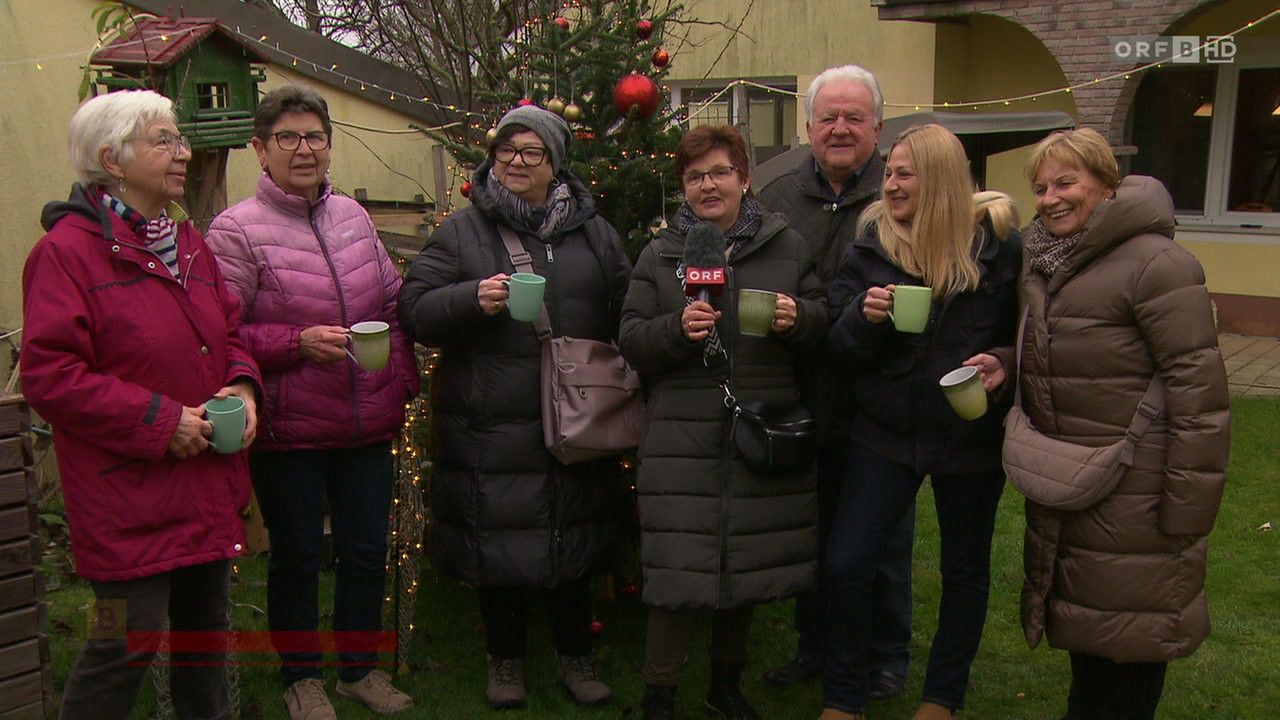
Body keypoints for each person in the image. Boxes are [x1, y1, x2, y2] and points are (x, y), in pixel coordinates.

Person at [20, 89, 262, 720]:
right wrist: (159, 421)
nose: (183, 152)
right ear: (113, 159)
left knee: (204, 640)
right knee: (121, 640)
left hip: (202, 483)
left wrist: (240, 384)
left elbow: (229, 330)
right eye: (164, 140)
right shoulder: (64, 254)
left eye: (179, 139)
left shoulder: (187, 242)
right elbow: (49, 374)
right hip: (125, 499)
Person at [987, 128, 1229, 720]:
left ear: (1107, 185)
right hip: (1079, 487)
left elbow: (1201, 395)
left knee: (1131, 653)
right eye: (1040, 187)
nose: (1049, 198)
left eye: (1066, 182)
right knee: (1093, 647)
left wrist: (1186, 511)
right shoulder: (1048, 262)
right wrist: (1005, 362)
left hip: (1141, 496)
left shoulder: (1158, 265)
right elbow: (1069, 354)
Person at [397, 105, 631, 710]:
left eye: (532, 153)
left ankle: (577, 657)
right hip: (491, 418)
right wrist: (472, 298)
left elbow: (626, 308)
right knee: (497, 541)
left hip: (578, 416)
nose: (517, 162)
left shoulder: (595, 233)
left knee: (573, 537)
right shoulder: (464, 231)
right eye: (507, 150)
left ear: (556, 165)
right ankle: (505, 664)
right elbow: (416, 309)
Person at [205, 85, 418, 720]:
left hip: (365, 424)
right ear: (260, 149)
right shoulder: (237, 229)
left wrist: (400, 383)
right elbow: (221, 331)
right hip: (291, 430)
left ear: (329, 144)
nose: (304, 149)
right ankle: (301, 677)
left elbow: (389, 305)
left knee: (365, 551)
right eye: (288, 138)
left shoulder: (352, 216)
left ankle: (359, 670)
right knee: (297, 557)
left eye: (315, 137)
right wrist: (295, 343)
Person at [620, 124, 829, 720]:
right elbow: (631, 337)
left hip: (759, 427)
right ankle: (659, 695)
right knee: (677, 573)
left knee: (745, 569)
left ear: (743, 177)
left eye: (718, 172)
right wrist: (673, 331)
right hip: (681, 434)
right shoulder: (660, 254)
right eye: (693, 177)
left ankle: (725, 689)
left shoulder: (785, 246)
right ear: (682, 187)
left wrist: (800, 317)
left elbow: (824, 322)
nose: (707, 185)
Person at [820, 124, 1021, 720]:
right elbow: (840, 347)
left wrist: (1005, 363)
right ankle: (844, 697)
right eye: (891, 172)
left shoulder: (999, 249)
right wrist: (863, 316)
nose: (892, 183)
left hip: (969, 433)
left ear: (939, 178)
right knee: (847, 562)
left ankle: (942, 697)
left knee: (965, 569)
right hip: (886, 432)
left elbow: (1028, 333)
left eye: (906, 172)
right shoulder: (869, 249)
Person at [757, 63, 914, 700]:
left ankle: (885, 655)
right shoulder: (779, 198)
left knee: (882, 539)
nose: (841, 128)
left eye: (855, 117)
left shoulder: (902, 193)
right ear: (809, 126)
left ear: (877, 126)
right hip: (801, 392)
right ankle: (814, 646)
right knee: (811, 529)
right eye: (829, 117)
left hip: (880, 399)